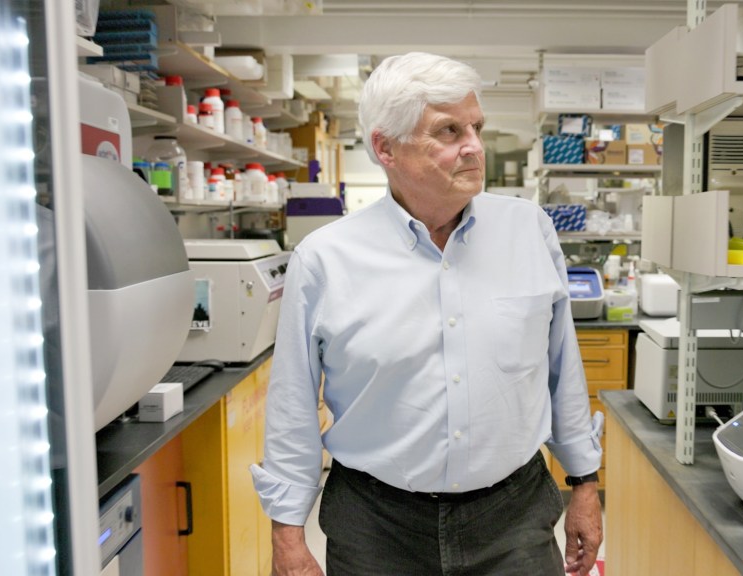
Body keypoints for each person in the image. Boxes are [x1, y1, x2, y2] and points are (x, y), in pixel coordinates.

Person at [251, 51, 603, 576]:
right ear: (385, 147)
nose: (475, 147)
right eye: (449, 131)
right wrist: (287, 533)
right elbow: (292, 405)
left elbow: (561, 372)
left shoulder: (529, 232)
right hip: (376, 526)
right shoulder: (327, 259)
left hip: (514, 518)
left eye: (477, 127)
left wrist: (585, 484)